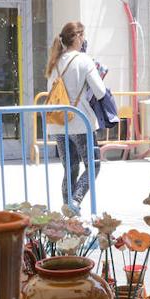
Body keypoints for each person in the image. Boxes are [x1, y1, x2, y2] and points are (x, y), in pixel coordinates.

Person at [45, 21, 107, 213]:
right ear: (78, 37)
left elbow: (50, 91)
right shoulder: (84, 60)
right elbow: (100, 91)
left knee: (70, 168)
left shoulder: (54, 62)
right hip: (81, 123)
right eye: (83, 36)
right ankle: (75, 201)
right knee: (93, 165)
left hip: (58, 124)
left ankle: (69, 213)